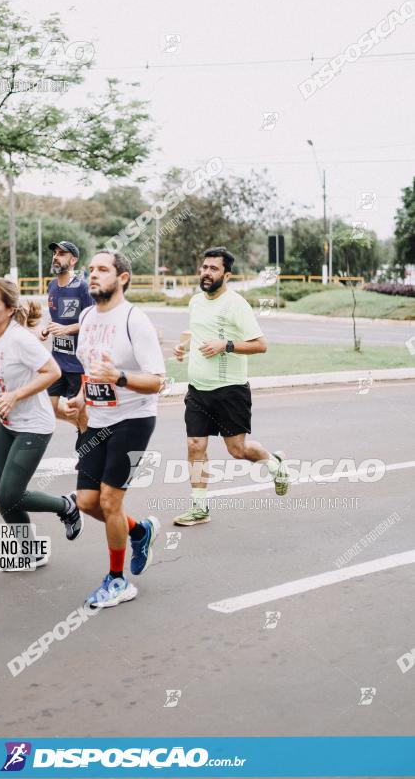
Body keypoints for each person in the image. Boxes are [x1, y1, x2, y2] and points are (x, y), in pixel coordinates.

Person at [64, 250, 165, 608]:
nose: (93, 275)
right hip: (98, 419)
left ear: (122, 278)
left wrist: (119, 377)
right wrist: (80, 398)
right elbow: (88, 370)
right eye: (91, 269)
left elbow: (157, 381)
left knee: (109, 500)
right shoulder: (88, 316)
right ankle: (140, 531)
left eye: (102, 269)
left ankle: (118, 581)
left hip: (133, 418)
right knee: (88, 501)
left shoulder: (135, 320)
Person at [0, 278, 83, 567]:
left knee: (13, 493)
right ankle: (31, 551)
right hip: (8, 423)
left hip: (34, 425)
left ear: (9, 309)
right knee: (1, 492)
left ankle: (67, 506)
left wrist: (15, 396)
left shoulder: (20, 339)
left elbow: (51, 372)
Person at [172, 246, 290, 526]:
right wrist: (183, 346)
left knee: (237, 450)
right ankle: (200, 509)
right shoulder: (195, 301)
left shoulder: (236, 304)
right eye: (204, 267)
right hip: (198, 390)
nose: (206, 273)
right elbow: (197, 330)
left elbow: (261, 345)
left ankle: (274, 463)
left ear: (227, 275)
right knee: (194, 445)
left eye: (213, 269)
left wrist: (225, 345)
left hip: (230, 390)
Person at [43, 241, 93, 443]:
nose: (56, 256)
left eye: (62, 254)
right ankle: (83, 429)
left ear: (73, 260)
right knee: (49, 407)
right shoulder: (52, 285)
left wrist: (66, 329)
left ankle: (88, 444)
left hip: (77, 364)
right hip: (57, 362)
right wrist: (47, 328)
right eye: (55, 253)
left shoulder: (82, 287)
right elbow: (57, 318)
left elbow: (91, 321)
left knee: (79, 410)